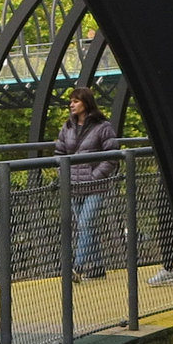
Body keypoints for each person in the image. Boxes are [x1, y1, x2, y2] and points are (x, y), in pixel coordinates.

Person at [55, 86, 117, 280]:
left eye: (76, 101)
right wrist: (64, 175)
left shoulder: (103, 126)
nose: (71, 105)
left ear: (86, 103)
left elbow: (112, 155)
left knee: (85, 223)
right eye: (71, 101)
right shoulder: (68, 126)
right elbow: (59, 153)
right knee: (86, 227)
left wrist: (95, 175)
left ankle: (78, 266)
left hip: (95, 186)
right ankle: (98, 268)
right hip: (74, 185)